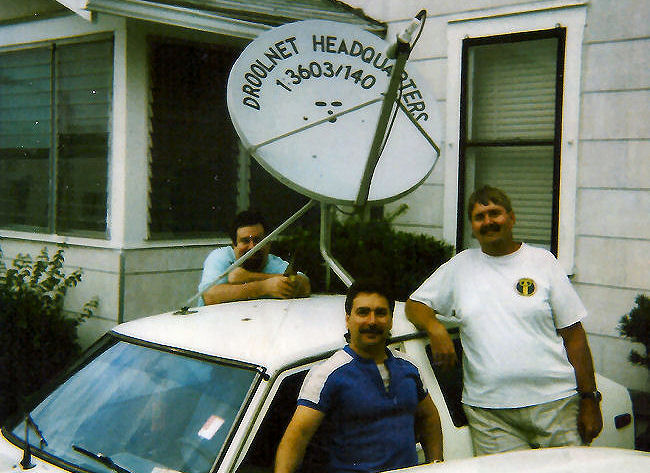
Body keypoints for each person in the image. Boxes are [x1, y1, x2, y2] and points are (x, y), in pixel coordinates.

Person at [405, 185, 603, 456]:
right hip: (490, 416)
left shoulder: (542, 262)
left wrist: (589, 399)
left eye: (495, 213)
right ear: (473, 227)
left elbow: (574, 335)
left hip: (555, 404)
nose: (488, 222)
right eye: (479, 217)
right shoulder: (460, 267)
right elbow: (415, 305)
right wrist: (435, 328)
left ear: (511, 218)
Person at [274, 280, 443, 473]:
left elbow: (429, 418)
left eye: (380, 313)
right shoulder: (327, 374)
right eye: (363, 312)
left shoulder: (409, 367)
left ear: (390, 320)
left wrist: (436, 465)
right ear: (348, 319)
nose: (372, 321)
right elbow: (296, 438)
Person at [199, 210, 310, 305]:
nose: (252, 247)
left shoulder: (272, 262)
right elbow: (210, 296)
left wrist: (250, 277)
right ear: (234, 245)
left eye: (258, 240)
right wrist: (264, 287)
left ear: (268, 243)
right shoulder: (220, 257)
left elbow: (304, 285)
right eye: (245, 241)